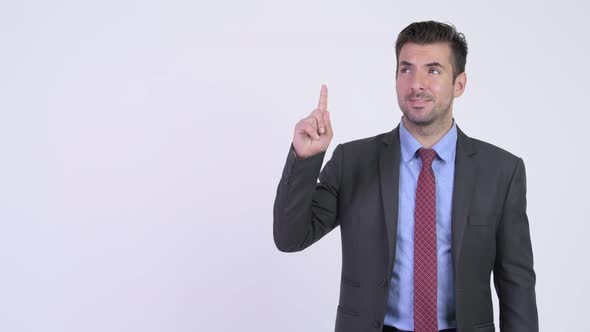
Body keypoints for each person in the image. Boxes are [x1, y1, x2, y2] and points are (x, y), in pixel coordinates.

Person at [273, 21, 538, 332]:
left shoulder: (501, 171)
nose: (417, 84)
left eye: (434, 70)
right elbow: (290, 237)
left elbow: (516, 282)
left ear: (459, 84)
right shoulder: (353, 161)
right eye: (406, 69)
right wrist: (305, 158)